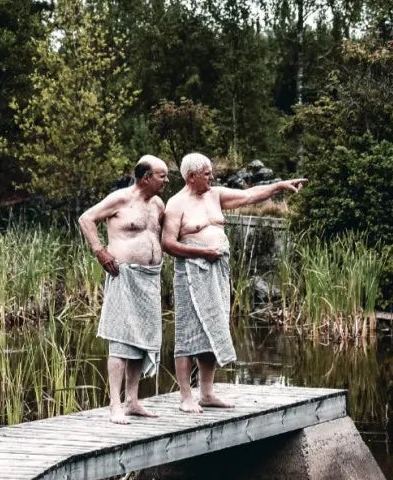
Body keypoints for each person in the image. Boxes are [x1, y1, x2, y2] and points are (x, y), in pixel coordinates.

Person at [162, 152, 306, 413]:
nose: (212, 177)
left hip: (217, 271)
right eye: (207, 174)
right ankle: (186, 396)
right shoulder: (176, 204)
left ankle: (206, 393)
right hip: (191, 274)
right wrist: (202, 253)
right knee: (187, 333)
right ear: (191, 176)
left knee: (213, 329)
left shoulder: (215, 195)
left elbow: (250, 195)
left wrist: (279, 185)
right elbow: (168, 243)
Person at [78, 155, 171, 424]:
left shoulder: (157, 203)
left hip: (150, 278)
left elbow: (161, 234)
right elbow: (87, 219)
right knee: (121, 339)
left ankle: (132, 400)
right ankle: (115, 404)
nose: (166, 180)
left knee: (142, 341)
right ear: (145, 178)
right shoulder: (120, 199)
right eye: (162, 175)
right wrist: (100, 251)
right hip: (124, 275)